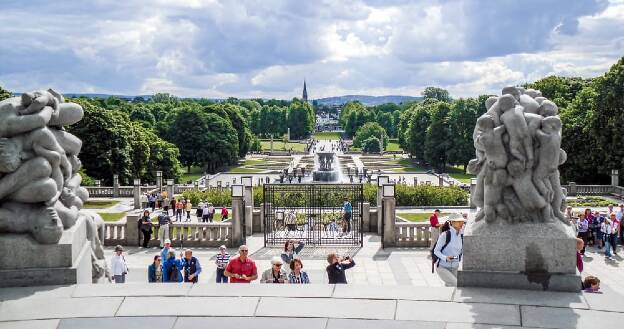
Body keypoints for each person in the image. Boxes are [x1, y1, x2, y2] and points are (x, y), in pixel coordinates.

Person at [433, 216, 466, 287]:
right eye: (459, 221)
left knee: (450, 288)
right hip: (442, 267)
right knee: (457, 285)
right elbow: (436, 251)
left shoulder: (461, 236)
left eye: (463, 222)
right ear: (452, 222)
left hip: (455, 268)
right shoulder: (445, 235)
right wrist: (445, 258)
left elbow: (461, 252)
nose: (462, 223)